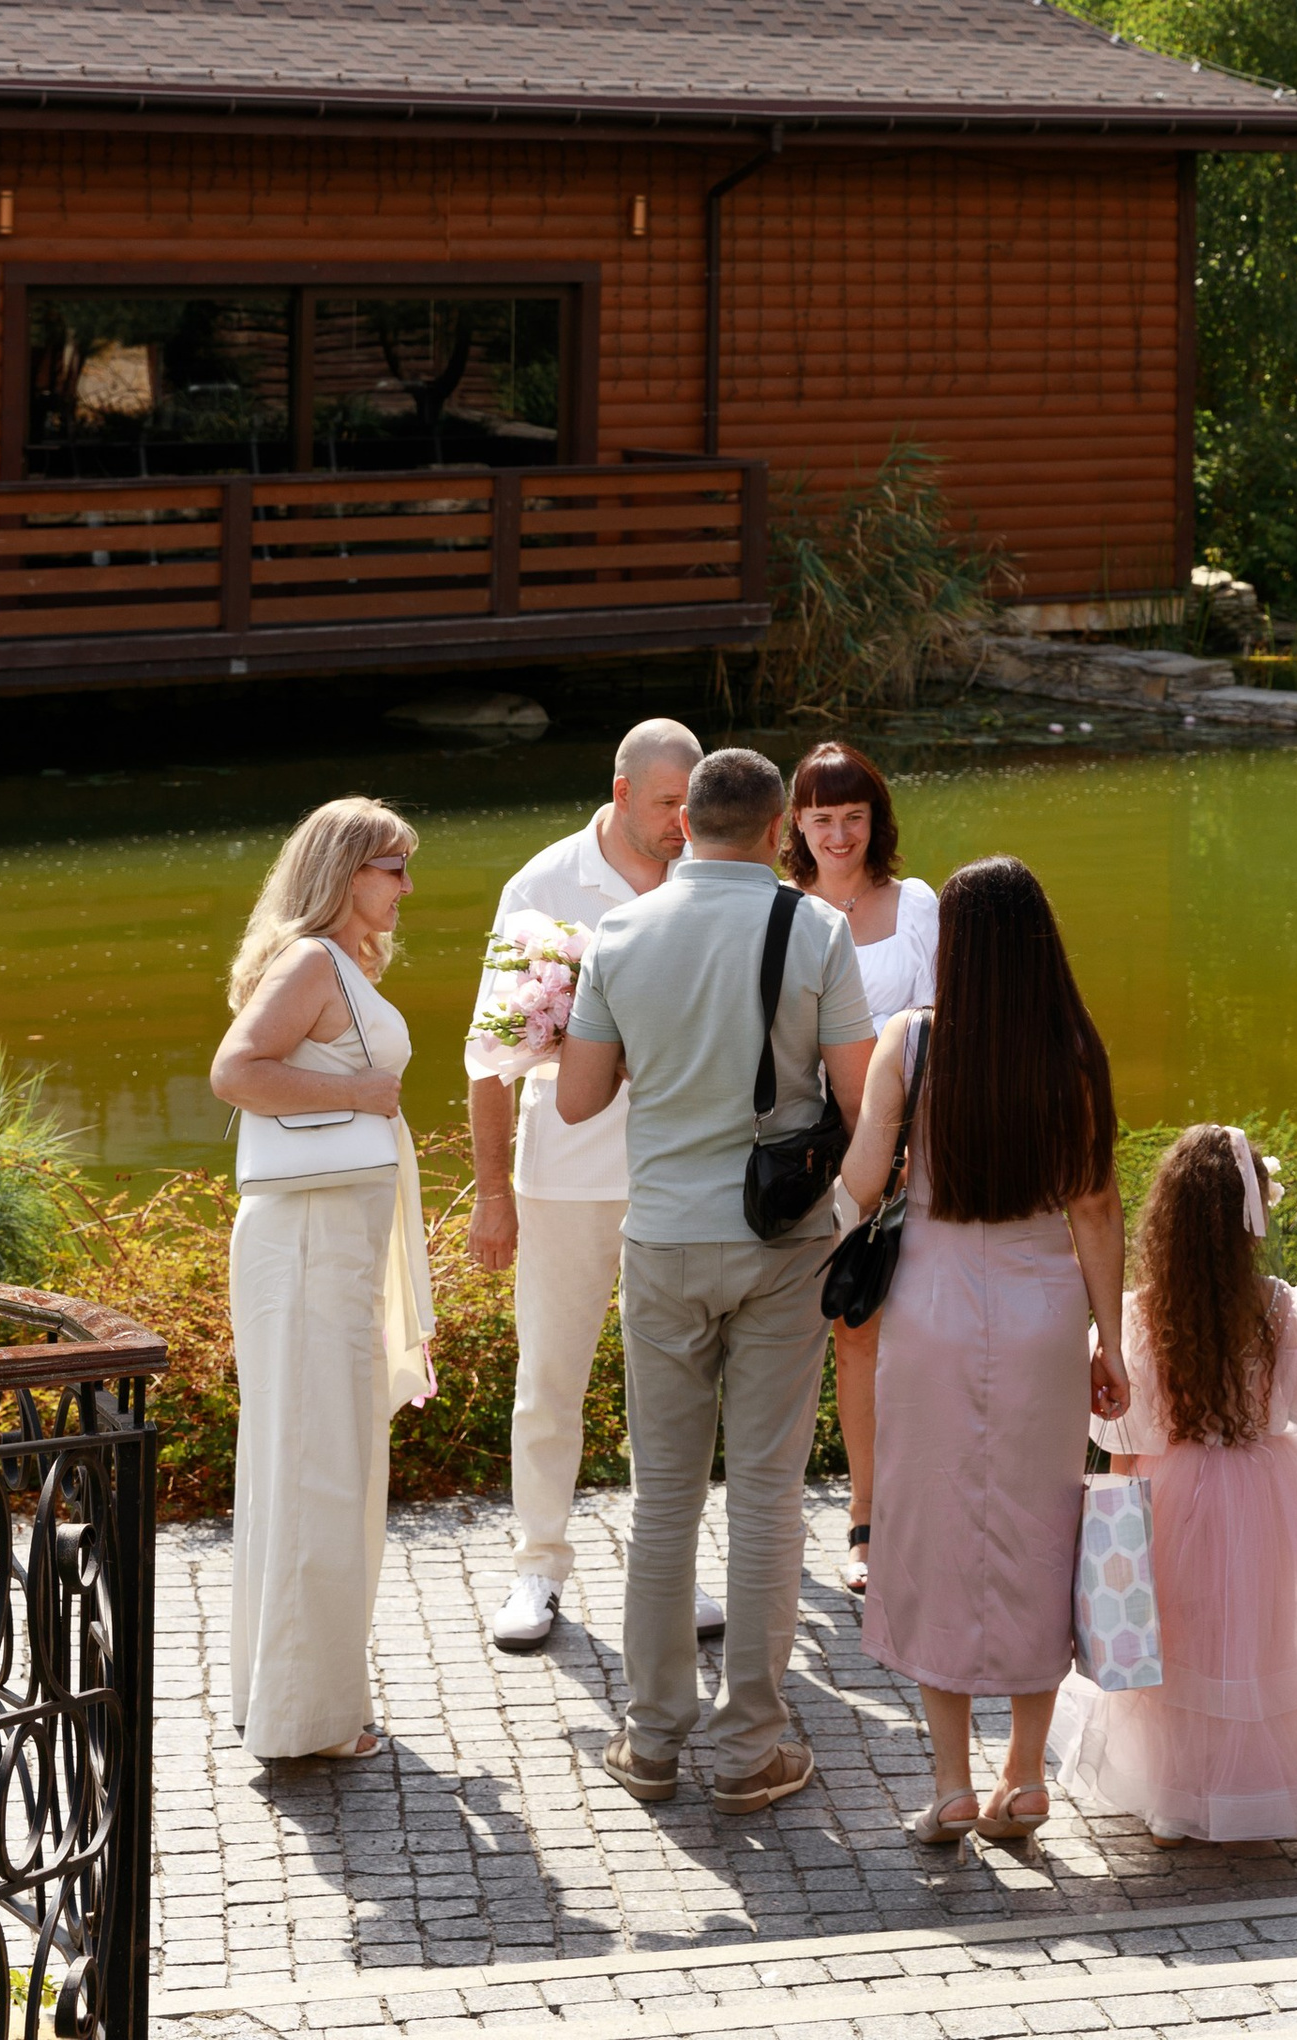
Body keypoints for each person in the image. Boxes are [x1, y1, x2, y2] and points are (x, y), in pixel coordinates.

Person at [553, 744, 874, 1810]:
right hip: (782, 1243)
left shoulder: (619, 933)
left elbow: (577, 1102)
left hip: (664, 1239)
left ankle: (649, 1742)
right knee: (769, 1497)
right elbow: (860, 1096)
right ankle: (748, 1750)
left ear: (683, 822)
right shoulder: (816, 928)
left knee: (663, 1503)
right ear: (780, 826)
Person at [1050, 1125, 1297, 1843]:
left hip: (1173, 1488)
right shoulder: (1280, 1309)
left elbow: (1124, 1434)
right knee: (1262, 1637)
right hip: (1270, 1487)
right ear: (1249, 1217)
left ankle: (1175, 1796)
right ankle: (1261, 1787)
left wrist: (1116, 1518)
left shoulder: (1139, 1315)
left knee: (1178, 1639)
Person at [842, 853, 1129, 1848]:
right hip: (1045, 1314)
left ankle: (954, 1786)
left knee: (932, 1533)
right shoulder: (1077, 1057)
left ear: (954, 948)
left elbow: (865, 1184)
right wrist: (1114, 1340)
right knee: (1040, 1527)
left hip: (930, 1311)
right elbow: (1094, 1207)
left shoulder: (909, 1045)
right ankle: (1026, 1776)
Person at [464, 714, 711, 1655]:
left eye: (694, 803)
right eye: (667, 804)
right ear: (620, 794)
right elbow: (490, 1052)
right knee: (551, 1376)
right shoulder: (541, 883)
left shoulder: (711, 872)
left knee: (677, 1381)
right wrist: (494, 1193)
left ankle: (668, 1571)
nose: (684, 821)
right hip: (563, 1177)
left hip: (680, 1170)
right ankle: (538, 1566)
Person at [211, 796, 436, 1762]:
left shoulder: (334, 963)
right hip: (306, 1244)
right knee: (317, 1469)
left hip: (329, 1241)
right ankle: (306, 1720)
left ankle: (287, 1698)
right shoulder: (310, 961)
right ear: (347, 871)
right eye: (394, 867)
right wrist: (355, 1093)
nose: (407, 886)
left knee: (316, 1463)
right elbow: (234, 1071)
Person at [785, 740, 938, 1599]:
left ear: (875, 819)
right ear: (795, 823)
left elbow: (948, 1022)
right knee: (815, 1334)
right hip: (807, 1153)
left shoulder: (915, 904)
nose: (838, 834)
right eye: (821, 817)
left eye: (853, 816)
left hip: (908, 1148)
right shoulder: (777, 908)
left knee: (895, 1334)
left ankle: (893, 1517)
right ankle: (818, 1525)